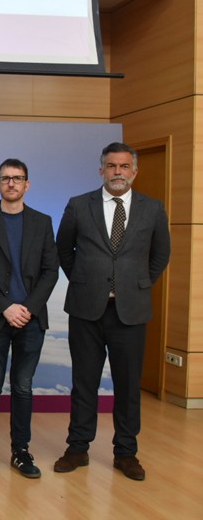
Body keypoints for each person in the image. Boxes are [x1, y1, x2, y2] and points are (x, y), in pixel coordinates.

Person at [53, 142, 171, 481]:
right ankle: (78, 448)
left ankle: (126, 453)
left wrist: (139, 283)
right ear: (101, 170)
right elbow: (64, 250)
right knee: (83, 383)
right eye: (111, 166)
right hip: (86, 309)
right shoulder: (79, 205)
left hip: (130, 311)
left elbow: (160, 254)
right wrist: (84, 281)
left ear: (134, 171)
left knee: (128, 386)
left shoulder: (152, 208)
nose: (117, 172)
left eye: (123, 166)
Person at [0, 159, 59, 479]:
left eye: (17, 178)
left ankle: (21, 451)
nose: (11, 183)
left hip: (31, 320)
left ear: (27, 184)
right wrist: (6, 306)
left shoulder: (42, 222)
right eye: (5, 178)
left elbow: (51, 270)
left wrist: (28, 308)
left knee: (23, 387)